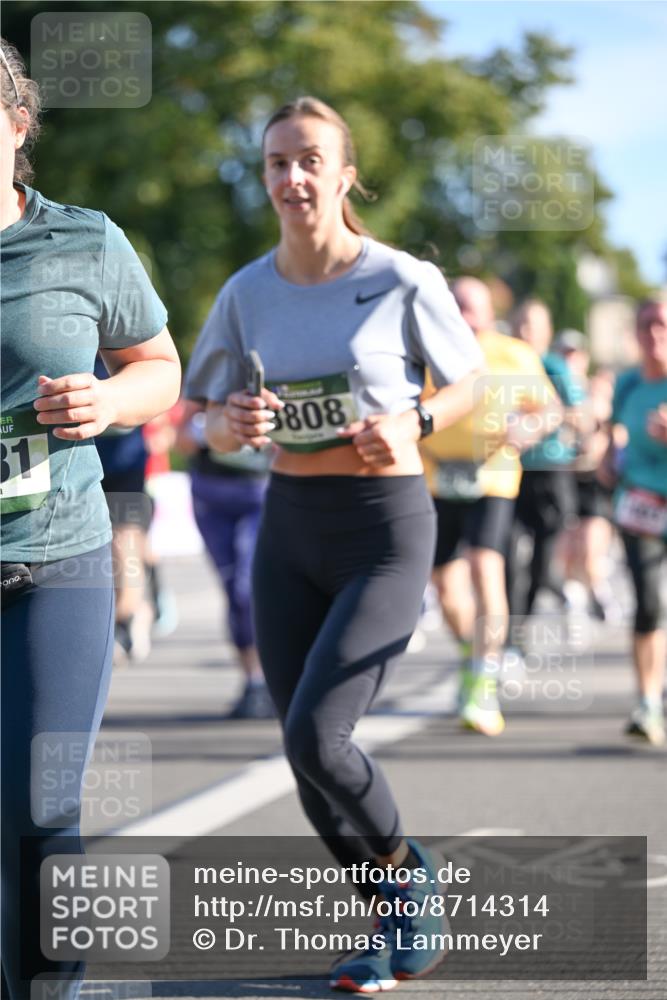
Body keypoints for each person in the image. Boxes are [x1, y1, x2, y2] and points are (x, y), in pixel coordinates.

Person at [185, 96, 484, 993]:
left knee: (322, 737)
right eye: (276, 163)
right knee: (298, 746)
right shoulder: (246, 293)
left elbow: (470, 384)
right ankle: (390, 922)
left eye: (310, 159)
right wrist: (230, 422)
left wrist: (417, 419)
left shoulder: (399, 278)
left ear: (345, 173)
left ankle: (412, 884)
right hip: (289, 527)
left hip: (383, 529)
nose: (292, 178)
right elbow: (201, 418)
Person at [0, 40, 181, 1000]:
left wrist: (109, 404)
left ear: (17, 124)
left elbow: (161, 366)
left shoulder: (83, 241)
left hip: (55, 561)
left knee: (39, 813)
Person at [421, 277, 560, 737]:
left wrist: (529, 428)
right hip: (437, 477)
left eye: (471, 306)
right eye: (455, 305)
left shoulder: (513, 353)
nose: (464, 314)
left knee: (485, 565)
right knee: (444, 585)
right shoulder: (425, 349)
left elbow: (550, 410)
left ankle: (484, 677)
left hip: (493, 474)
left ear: (488, 311)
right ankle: (471, 649)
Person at [175, 401, 275, 718]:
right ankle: (253, 681)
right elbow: (181, 441)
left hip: (259, 492)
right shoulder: (207, 377)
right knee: (233, 589)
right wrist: (211, 431)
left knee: (250, 586)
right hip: (211, 492)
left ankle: (271, 676)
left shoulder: (272, 372)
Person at [601, 298, 667, 745]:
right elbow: (611, 438)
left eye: (661, 325)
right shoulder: (627, 384)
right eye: (645, 325)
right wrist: (608, 459)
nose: (653, 334)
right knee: (647, 601)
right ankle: (647, 700)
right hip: (639, 505)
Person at [506, 299, 584, 620]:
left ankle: (524, 619)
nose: (526, 332)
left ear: (546, 331)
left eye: (534, 326)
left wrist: (539, 420)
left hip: (549, 469)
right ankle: (508, 623)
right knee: (505, 551)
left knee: (543, 552)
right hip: (508, 470)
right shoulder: (502, 365)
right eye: (521, 324)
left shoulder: (554, 366)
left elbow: (579, 414)